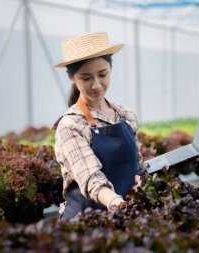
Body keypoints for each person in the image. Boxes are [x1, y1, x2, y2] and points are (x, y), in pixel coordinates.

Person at [52, 32, 143, 220]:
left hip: (122, 216)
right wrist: (116, 203)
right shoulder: (71, 125)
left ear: (110, 68)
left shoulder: (126, 116)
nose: (96, 85)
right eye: (86, 78)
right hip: (85, 223)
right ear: (72, 77)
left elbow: (138, 168)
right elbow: (92, 178)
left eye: (103, 74)